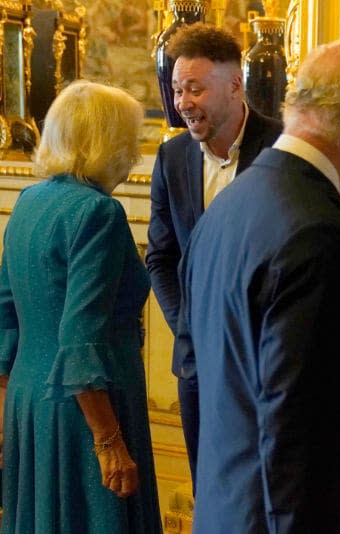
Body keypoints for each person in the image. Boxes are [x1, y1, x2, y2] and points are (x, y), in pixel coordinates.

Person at [179, 38, 340, 533]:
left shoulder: (225, 209)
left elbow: (198, 372)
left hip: (224, 513)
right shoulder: (318, 234)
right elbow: (301, 440)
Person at [0, 80, 161, 532]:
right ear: (106, 141)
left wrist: (5, 414)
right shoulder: (97, 213)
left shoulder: (30, 201)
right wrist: (109, 440)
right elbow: (80, 337)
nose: (132, 152)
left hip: (29, 401)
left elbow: (5, 312)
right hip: (85, 412)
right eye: (127, 138)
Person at [145, 22, 282, 491]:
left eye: (196, 89)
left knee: (266, 492)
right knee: (210, 490)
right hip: (198, 366)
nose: (183, 103)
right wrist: (189, 323)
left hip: (265, 364)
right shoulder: (172, 158)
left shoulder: (282, 150)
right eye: (178, 89)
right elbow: (160, 257)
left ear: (235, 86)